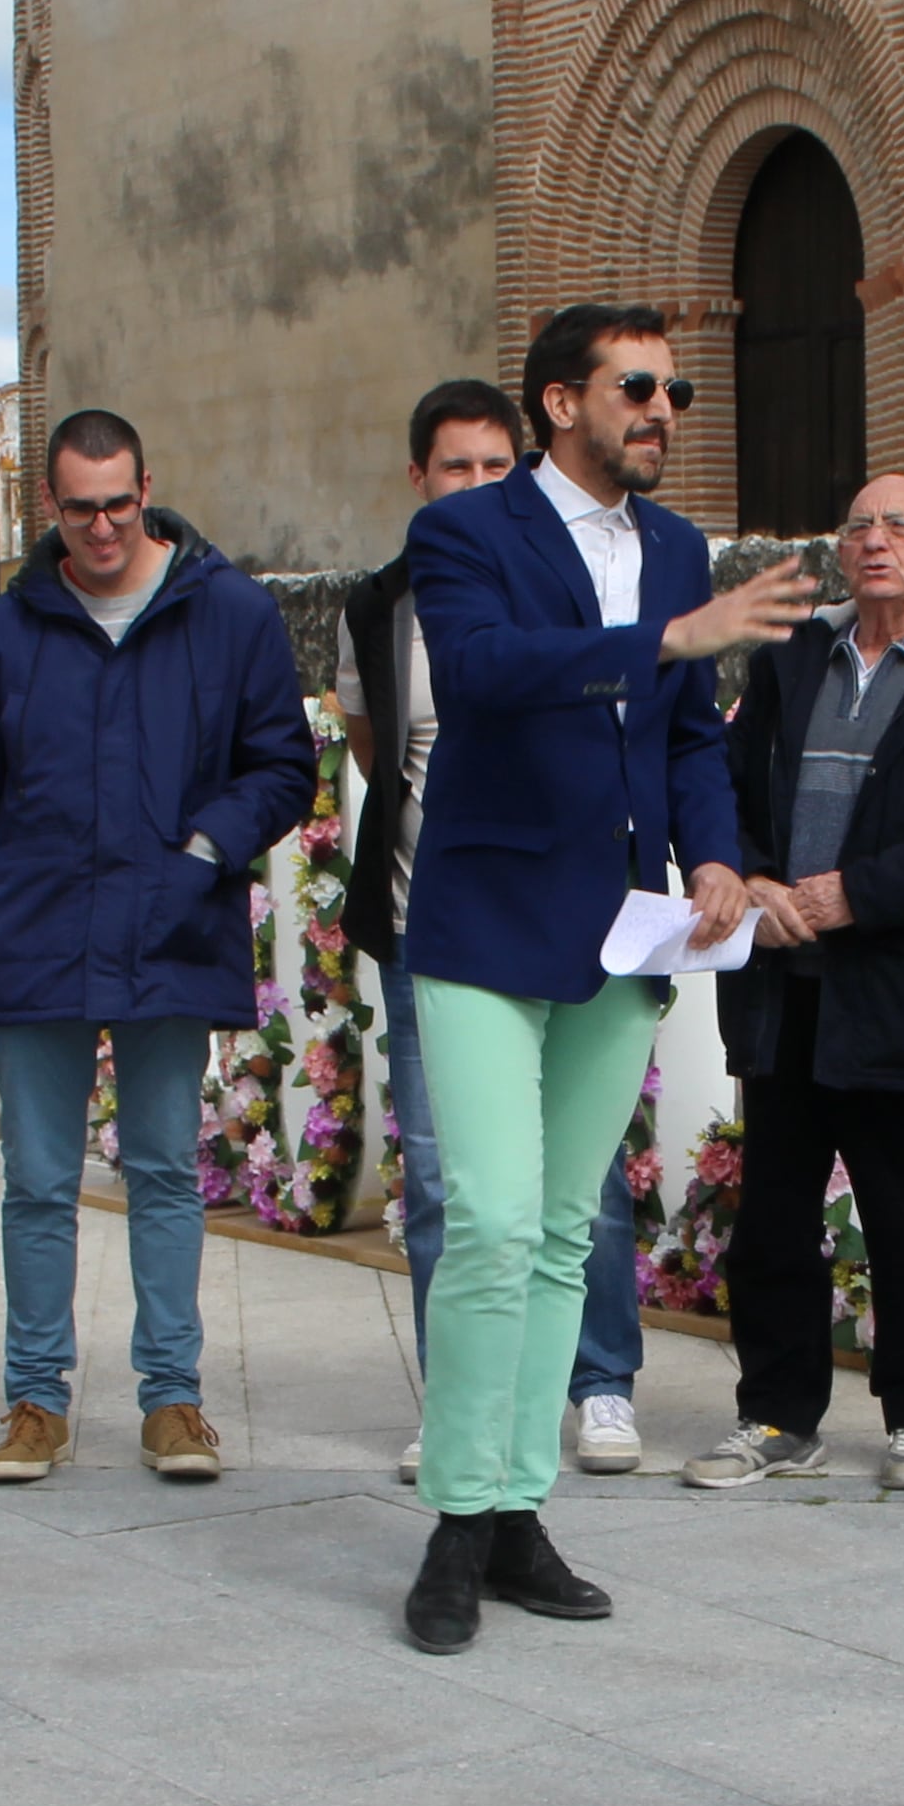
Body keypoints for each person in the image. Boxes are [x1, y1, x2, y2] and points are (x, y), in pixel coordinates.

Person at [390, 304, 812, 1652]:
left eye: (675, 388)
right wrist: (671, 639)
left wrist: (717, 861)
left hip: (624, 933)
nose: (664, 409)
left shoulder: (676, 548)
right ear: (562, 401)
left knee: (564, 1230)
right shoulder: (468, 530)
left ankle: (518, 1511)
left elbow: (690, 740)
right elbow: (482, 673)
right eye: (638, 386)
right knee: (497, 1220)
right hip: (483, 921)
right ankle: (459, 1518)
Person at [0, 409, 313, 1488]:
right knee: (38, 1179)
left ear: (148, 491)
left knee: (161, 1173)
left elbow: (282, 766)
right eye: (80, 507)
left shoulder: (227, 612)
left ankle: (173, 1401)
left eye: (118, 504)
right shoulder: (4, 632)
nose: (100, 527)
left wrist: (200, 853)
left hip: (169, 929)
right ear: (51, 505)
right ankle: (35, 1401)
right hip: (32, 933)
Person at [691, 475, 904, 1495]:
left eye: (898, 525)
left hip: (900, 983)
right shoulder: (792, 658)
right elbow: (725, 781)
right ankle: (774, 1416)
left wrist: (857, 895)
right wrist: (752, 876)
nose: (874, 541)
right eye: (856, 525)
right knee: (773, 1215)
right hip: (781, 982)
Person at [337, 378, 654, 1485]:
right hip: (441, 924)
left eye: (491, 465)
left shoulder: (572, 573)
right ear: (417, 479)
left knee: (571, 1195)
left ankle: (596, 1383)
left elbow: (657, 731)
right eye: (452, 467)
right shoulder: (382, 604)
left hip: (577, 921)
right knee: (459, 1194)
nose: (473, 484)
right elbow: (379, 747)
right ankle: (463, 1430)